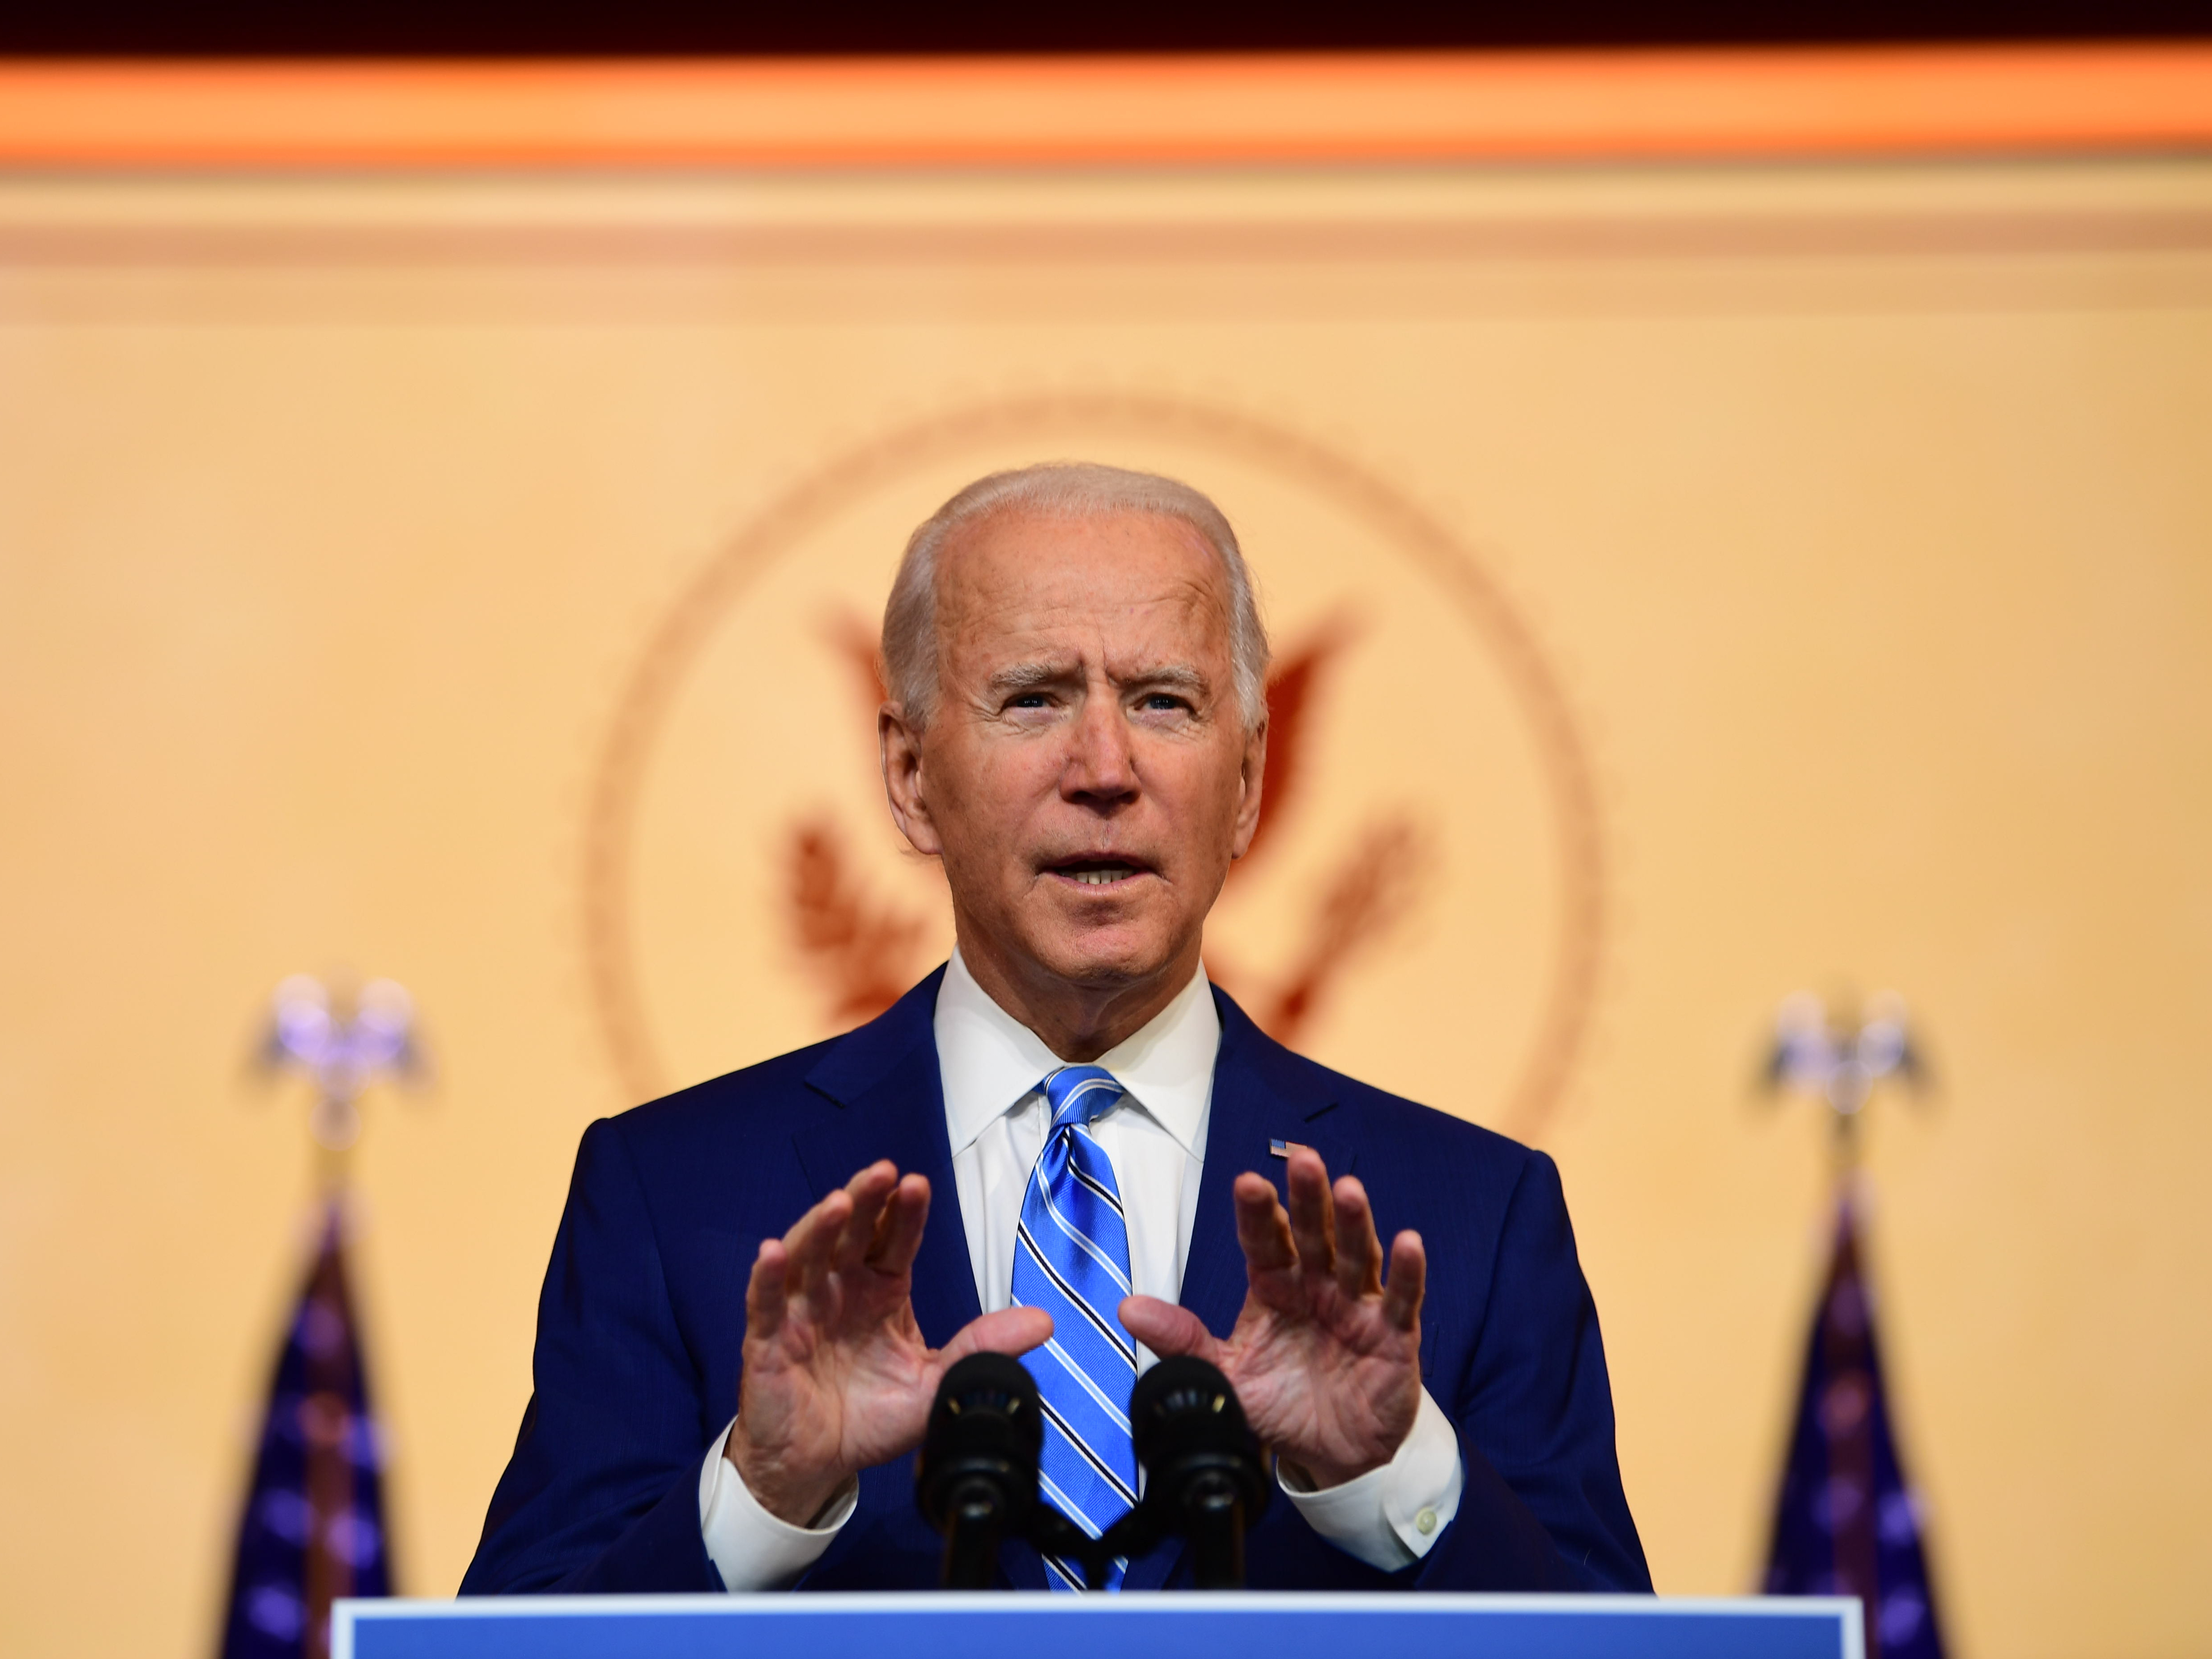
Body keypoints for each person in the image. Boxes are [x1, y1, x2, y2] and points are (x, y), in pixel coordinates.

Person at [461, 463, 1649, 1595]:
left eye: (1163, 701)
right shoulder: (674, 1199)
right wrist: (762, 1495)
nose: (1104, 767)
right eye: (1034, 697)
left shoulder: (1472, 1221)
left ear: (1246, 783)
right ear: (912, 776)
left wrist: (1394, 1473)